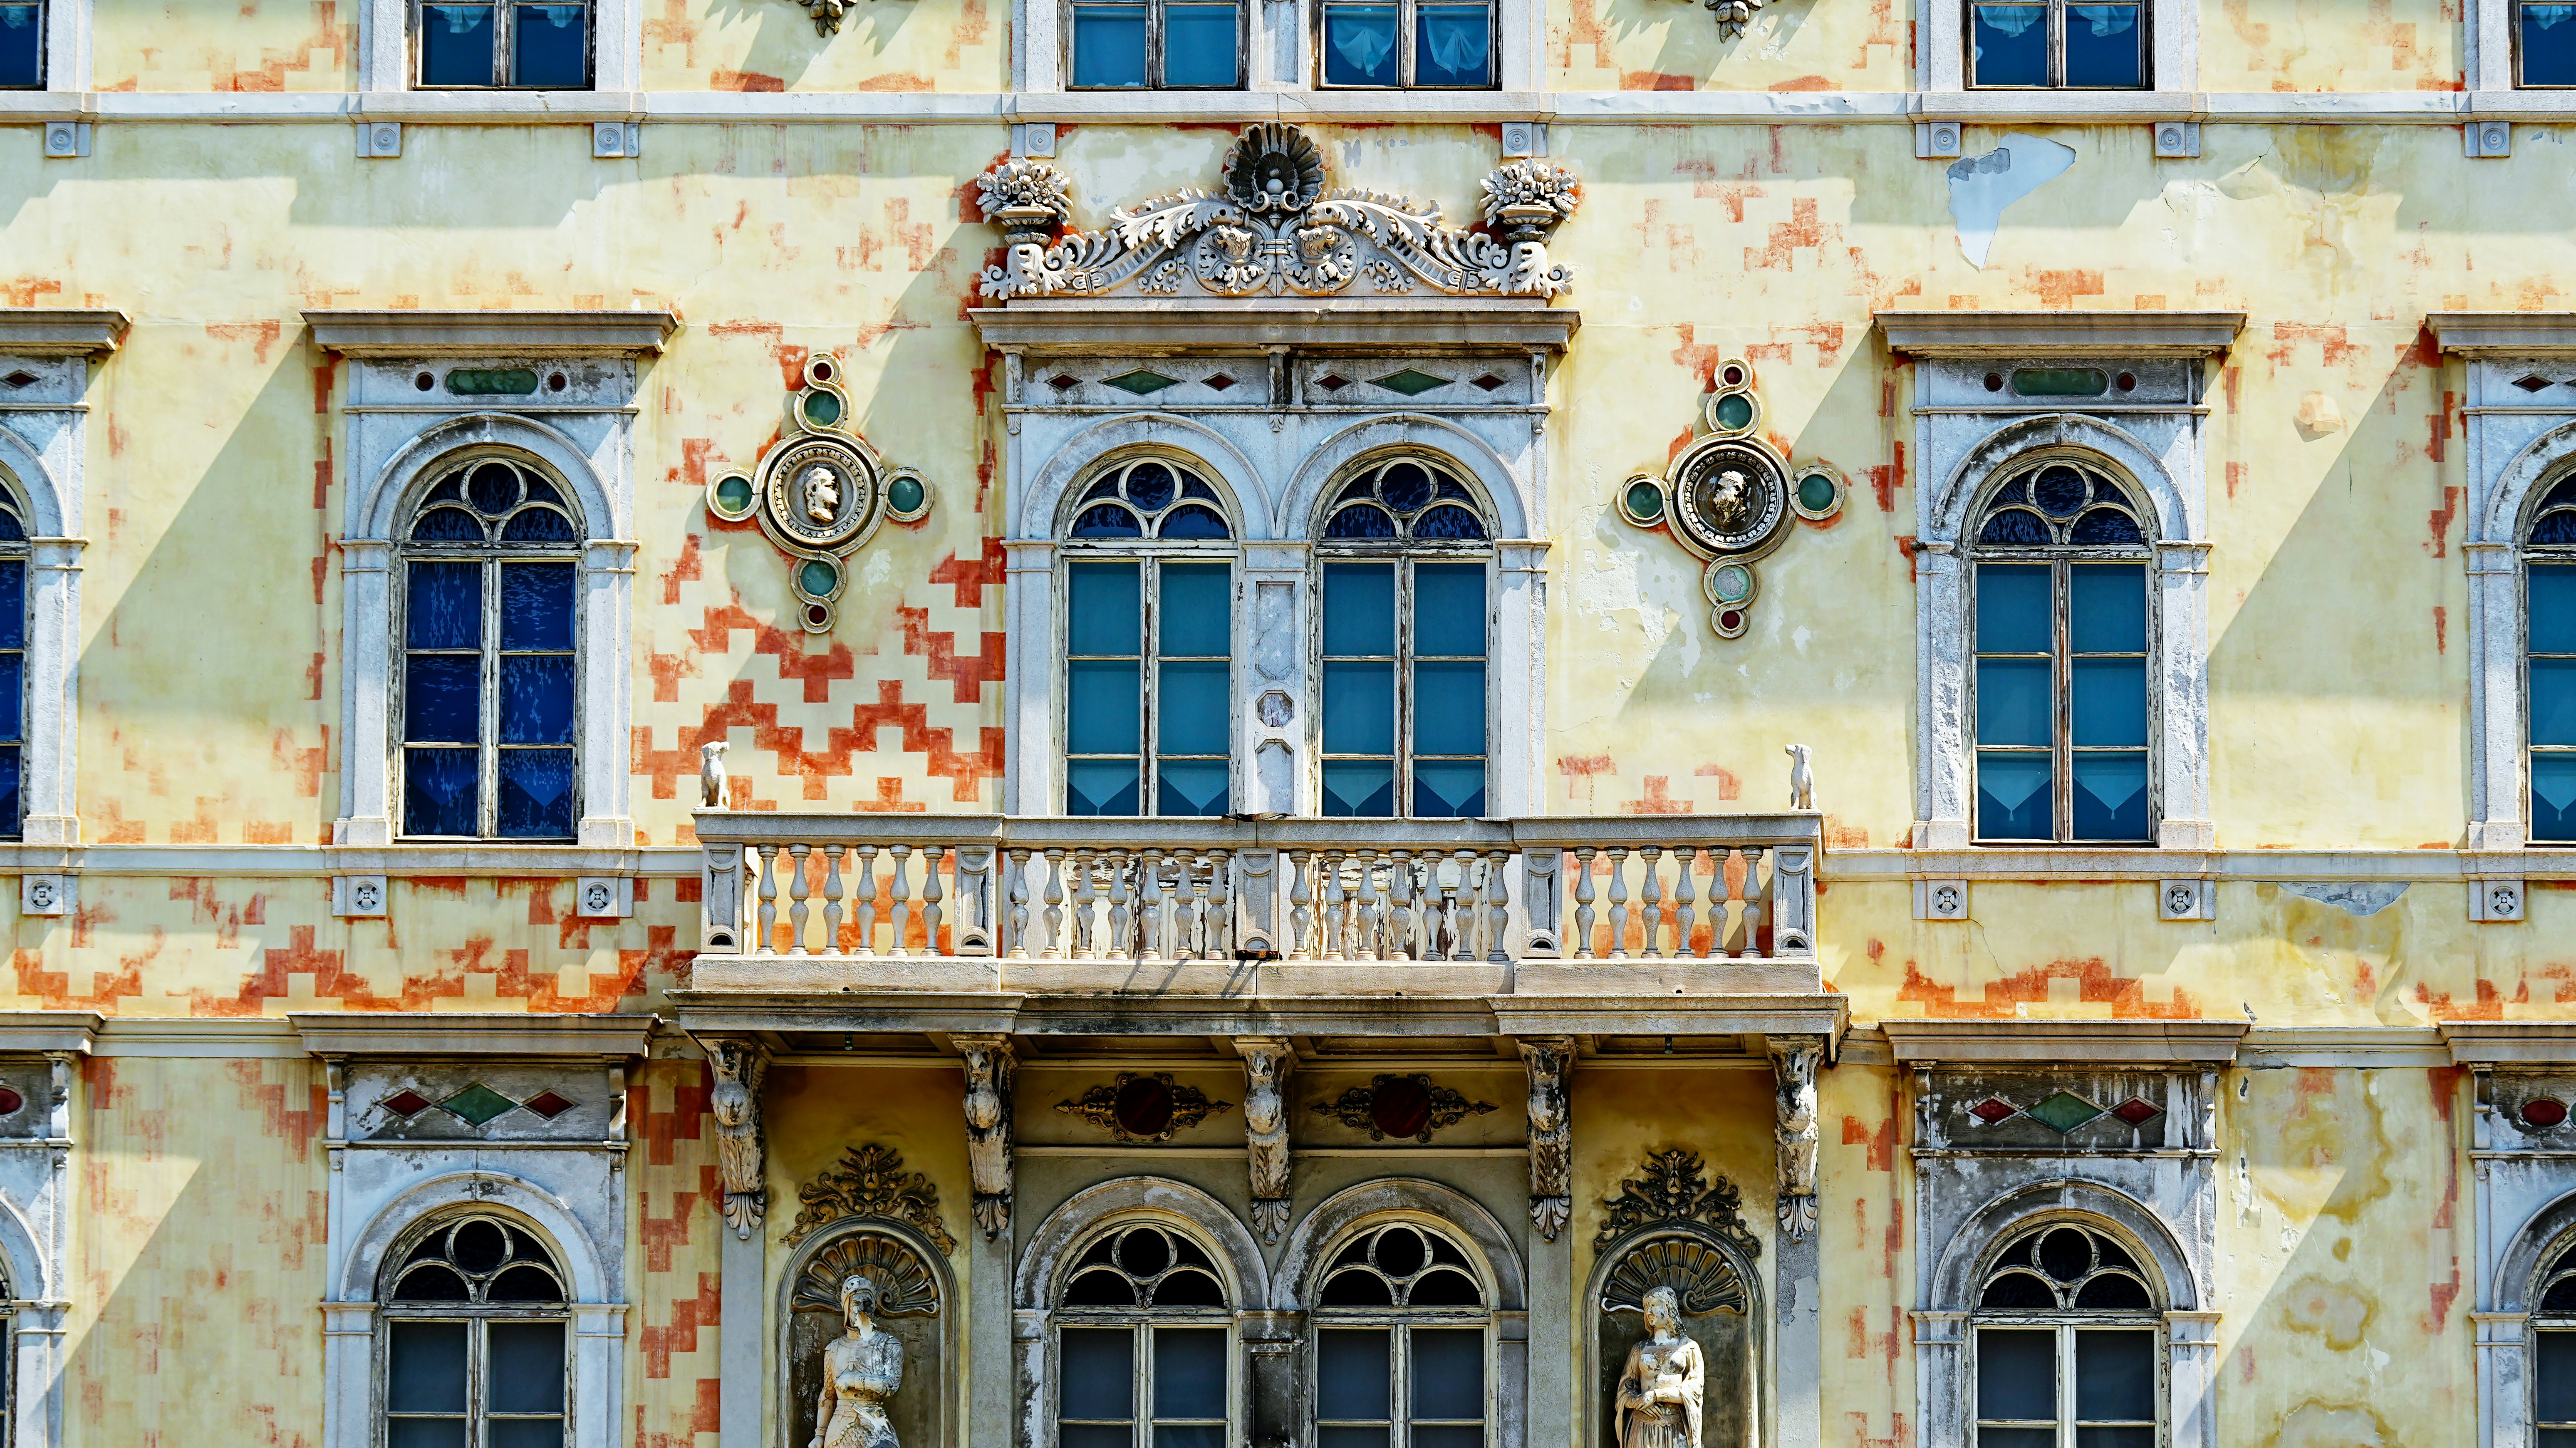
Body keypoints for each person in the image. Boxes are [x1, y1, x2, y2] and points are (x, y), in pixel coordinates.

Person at [810, 1272, 904, 1448]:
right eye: (856, 1303)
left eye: (866, 1303)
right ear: (847, 1307)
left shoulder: (888, 1345)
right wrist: (820, 1435)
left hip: (876, 1427)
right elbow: (828, 1395)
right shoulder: (834, 1349)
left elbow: (891, 1385)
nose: (861, 1309)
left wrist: (853, 1380)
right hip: (840, 1431)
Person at [1614, 1285, 1703, 1448]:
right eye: (1647, 1307)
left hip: (1676, 1428)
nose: (1649, 1312)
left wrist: (1655, 1396)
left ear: (1668, 1307)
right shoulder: (1640, 1349)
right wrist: (1637, 1403)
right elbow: (1624, 1390)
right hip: (1642, 1427)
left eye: (1654, 1306)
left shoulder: (1689, 1348)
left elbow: (1694, 1391)